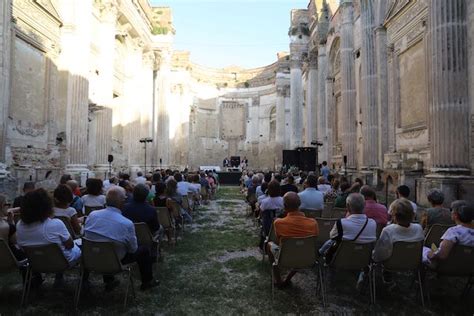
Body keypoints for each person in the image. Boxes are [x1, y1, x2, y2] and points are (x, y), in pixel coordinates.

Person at [84, 187, 158, 291]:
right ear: (122, 202)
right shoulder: (126, 223)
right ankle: (147, 282)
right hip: (115, 260)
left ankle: (109, 281)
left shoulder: (92, 215)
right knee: (144, 250)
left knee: (104, 241)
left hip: (92, 258)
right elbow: (133, 249)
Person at [16, 188, 81, 266]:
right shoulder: (55, 224)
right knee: (82, 244)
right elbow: (70, 245)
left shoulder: (20, 225)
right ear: (47, 206)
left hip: (35, 262)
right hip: (62, 262)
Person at [267, 192, 318, 287]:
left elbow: (278, 242)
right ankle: (287, 279)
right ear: (299, 204)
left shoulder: (278, 223)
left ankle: (278, 280)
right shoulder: (313, 223)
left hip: (285, 257)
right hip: (307, 257)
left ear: (285, 206)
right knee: (299, 249)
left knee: (269, 244)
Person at [372, 198, 424, 263]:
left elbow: (379, 255)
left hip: (392, 265)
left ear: (394, 216)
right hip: (413, 264)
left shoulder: (388, 230)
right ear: (412, 214)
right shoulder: (418, 228)